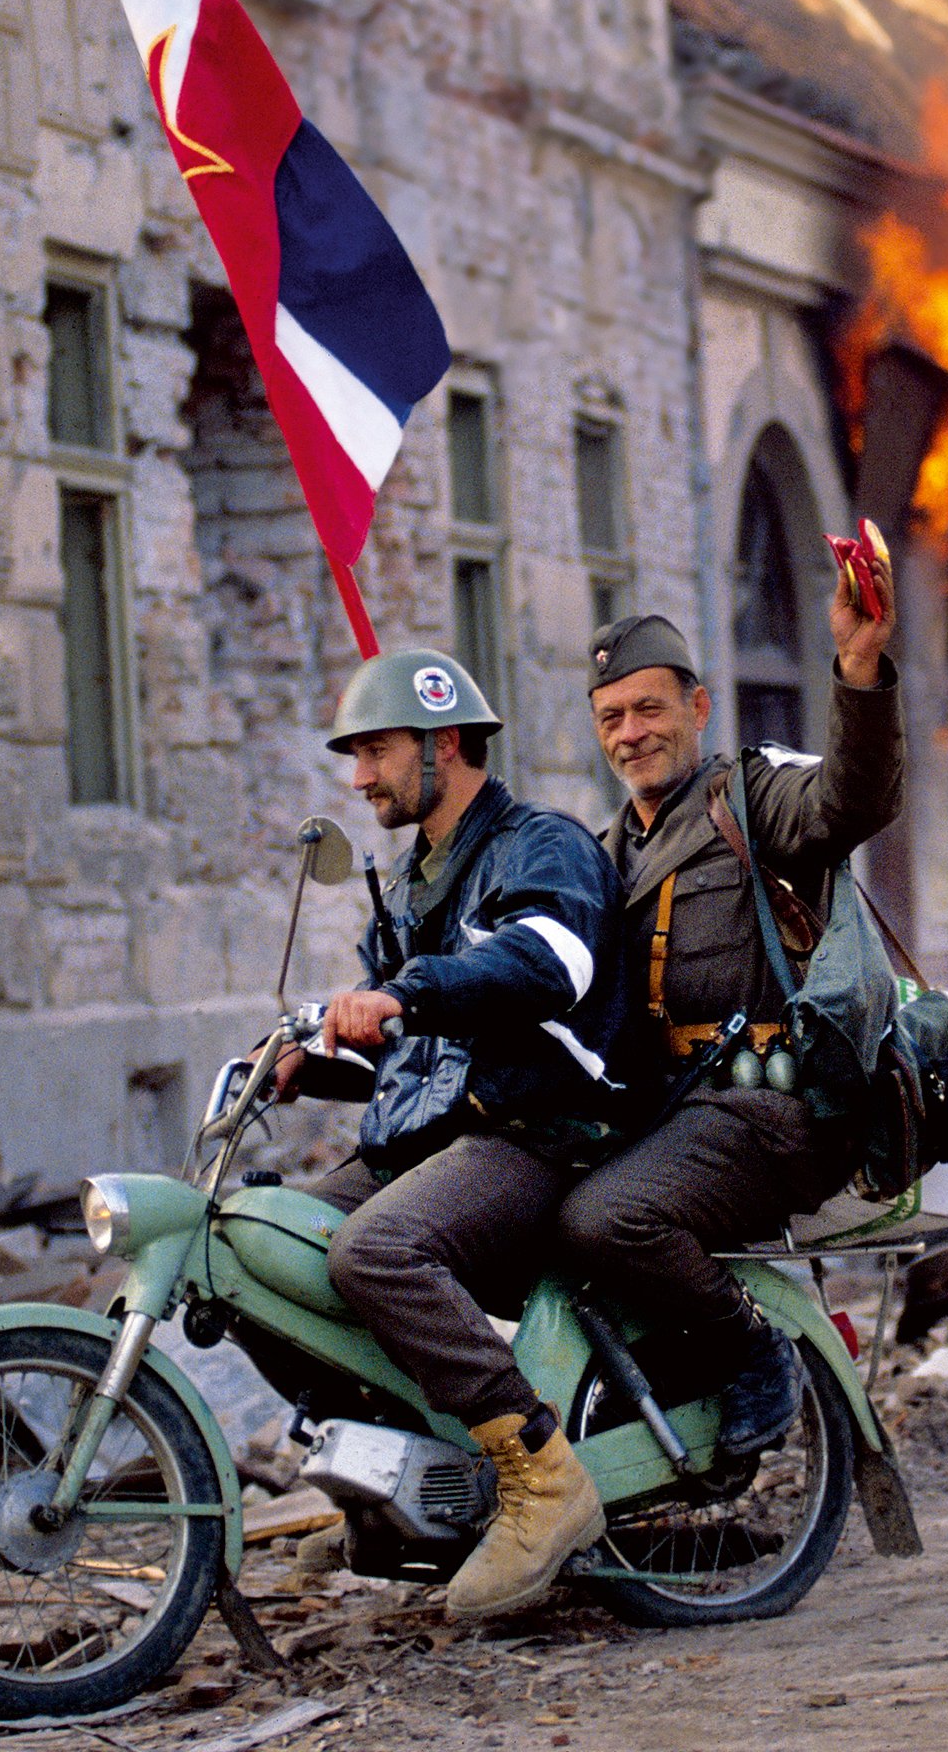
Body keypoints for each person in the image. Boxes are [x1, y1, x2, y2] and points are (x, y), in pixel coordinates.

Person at [283, 648, 634, 1621]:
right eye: (354, 755)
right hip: (437, 1134)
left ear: (445, 744)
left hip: (539, 1126)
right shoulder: (407, 885)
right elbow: (406, 1048)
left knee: (375, 1249)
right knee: (263, 1244)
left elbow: (547, 962)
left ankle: (544, 1483)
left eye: (377, 750)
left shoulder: (540, 846)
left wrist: (400, 992)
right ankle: (405, 1479)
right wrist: (310, 1060)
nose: (360, 777)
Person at [557, 554, 901, 1459]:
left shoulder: (751, 797)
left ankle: (753, 1353)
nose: (632, 733)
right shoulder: (602, 852)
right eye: (611, 718)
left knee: (607, 1219)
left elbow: (850, 800)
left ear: (698, 709)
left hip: (772, 1110)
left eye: (649, 708)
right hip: (666, 1116)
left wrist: (858, 669)